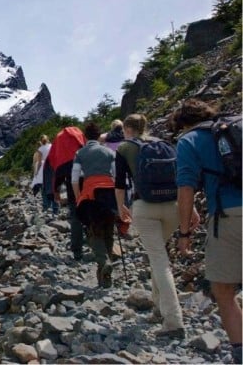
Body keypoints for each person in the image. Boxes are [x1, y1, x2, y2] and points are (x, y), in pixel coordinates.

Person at [171, 99, 242, 362]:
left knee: (223, 289)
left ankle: (240, 350)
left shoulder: (189, 141)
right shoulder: (238, 123)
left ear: (183, 123)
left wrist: (184, 233)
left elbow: (186, 188)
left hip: (228, 215)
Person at [115, 113, 197, 339]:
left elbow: (120, 183)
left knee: (160, 262)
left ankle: (174, 321)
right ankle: (158, 309)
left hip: (145, 207)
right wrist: (191, 209)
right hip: (173, 207)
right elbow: (181, 177)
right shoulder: (164, 144)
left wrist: (121, 207)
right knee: (158, 257)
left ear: (127, 129)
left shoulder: (124, 148)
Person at [72, 122, 117, 287]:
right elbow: (116, 175)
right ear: (99, 136)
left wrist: (78, 197)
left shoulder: (80, 153)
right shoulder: (109, 152)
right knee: (109, 231)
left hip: (91, 194)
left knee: (95, 231)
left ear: (85, 136)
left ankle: (103, 262)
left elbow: (74, 179)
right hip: (110, 193)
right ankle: (107, 273)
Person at [46, 126, 87, 260]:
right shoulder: (80, 138)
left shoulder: (59, 140)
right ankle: (97, 244)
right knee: (91, 212)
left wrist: (56, 190)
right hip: (88, 182)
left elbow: (58, 167)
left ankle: (77, 250)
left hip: (71, 184)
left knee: (75, 216)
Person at [31, 135, 56, 214]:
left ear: (41, 141)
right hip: (52, 167)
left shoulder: (40, 149)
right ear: (48, 139)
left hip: (43, 168)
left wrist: (36, 172)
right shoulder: (52, 146)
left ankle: (46, 207)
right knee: (53, 187)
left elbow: (38, 162)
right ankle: (55, 208)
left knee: (44, 188)